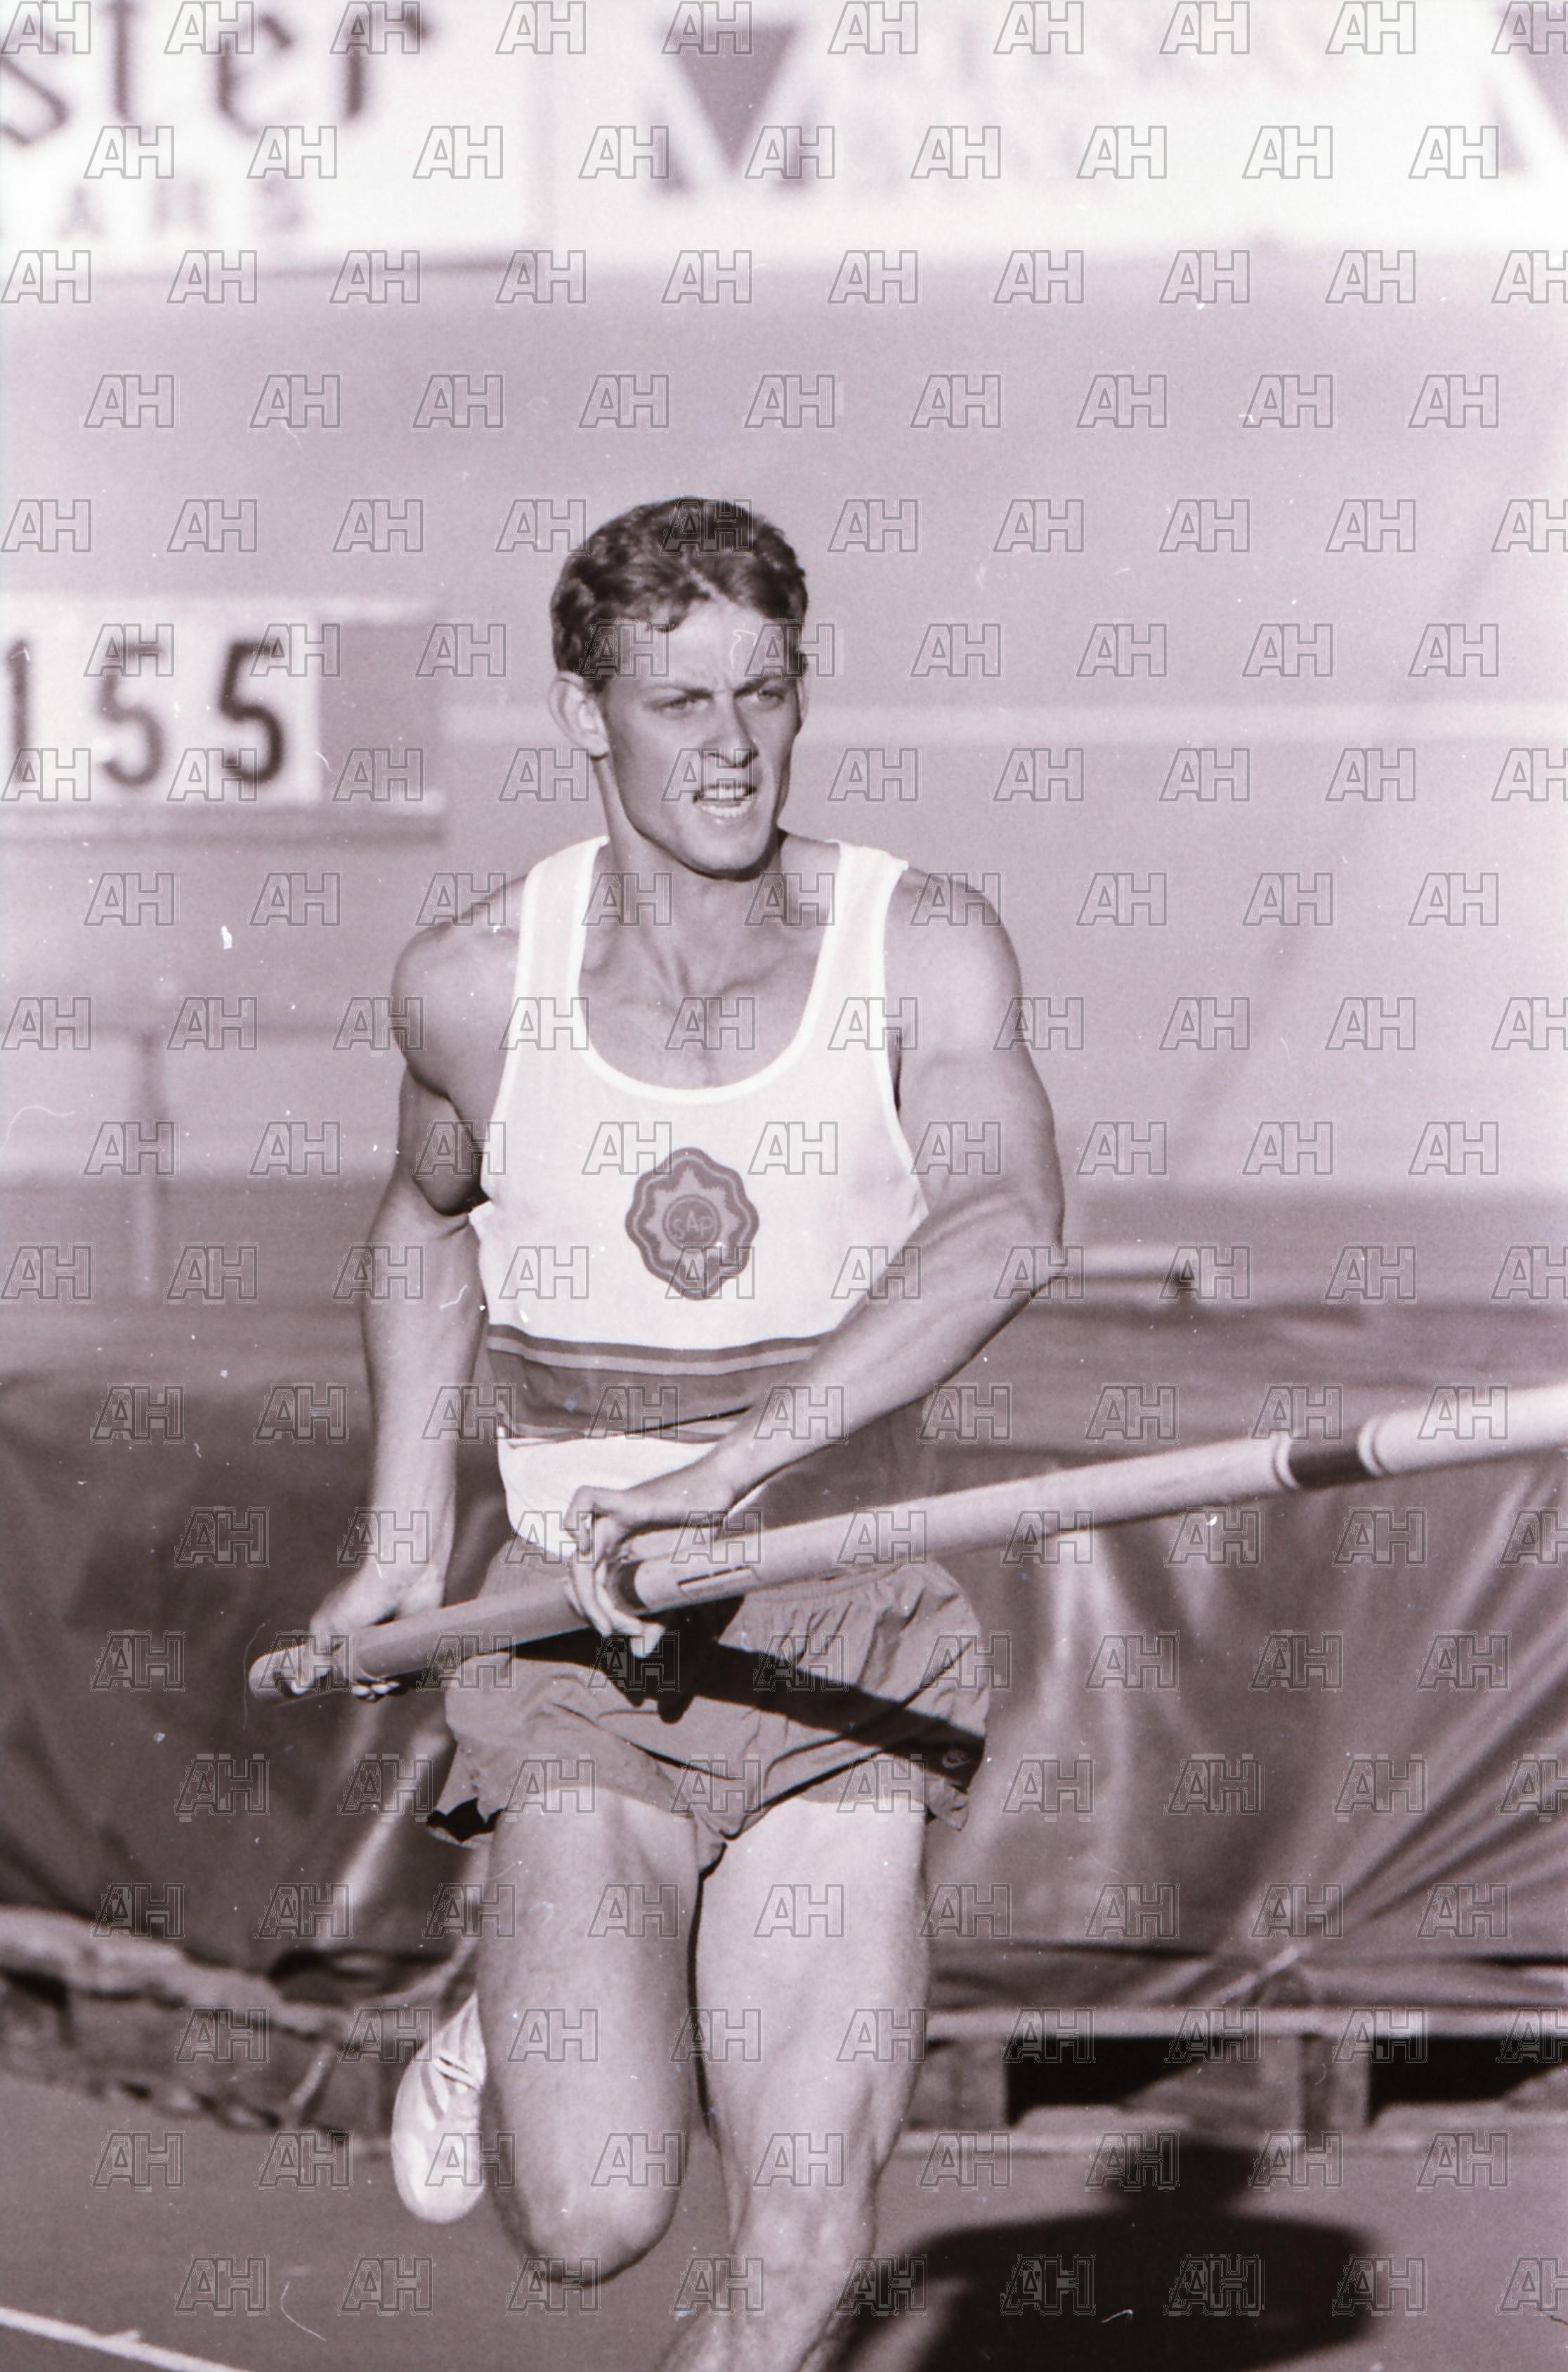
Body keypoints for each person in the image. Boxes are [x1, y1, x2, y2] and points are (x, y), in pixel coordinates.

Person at [302, 497, 1064, 2371]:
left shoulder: (919, 947)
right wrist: (403, 1539)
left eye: (766, 692)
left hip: (841, 1640)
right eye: (680, 700)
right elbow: (426, 1223)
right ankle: (509, 2005)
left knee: (804, 2251)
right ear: (586, 712)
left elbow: (1005, 1226)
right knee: (594, 2215)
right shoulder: (475, 985)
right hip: (584, 1649)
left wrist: (737, 1468)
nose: (733, 745)